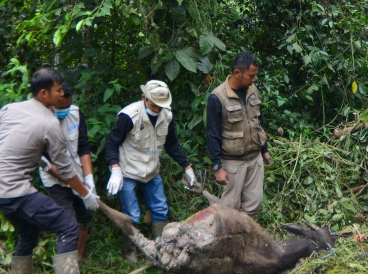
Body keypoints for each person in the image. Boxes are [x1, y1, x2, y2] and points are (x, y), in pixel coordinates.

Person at [0, 68, 106, 274]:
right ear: (44, 93)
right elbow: (67, 171)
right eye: (58, 90)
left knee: (28, 233)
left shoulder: (9, 109)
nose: (61, 94)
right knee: (68, 226)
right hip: (16, 191)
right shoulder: (50, 124)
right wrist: (86, 194)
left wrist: (36, 159)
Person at [104, 80, 196, 263]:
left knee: (160, 209)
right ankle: (130, 251)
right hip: (128, 171)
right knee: (132, 214)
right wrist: (115, 169)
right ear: (144, 98)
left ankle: (162, 249)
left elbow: (171, 144)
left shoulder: (166, 115)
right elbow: (111, 143)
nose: (157, 109)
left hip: (152, 171)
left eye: (161, 106)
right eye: (154, 104)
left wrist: (187, 167)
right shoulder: (129, 116)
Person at [206, 50, 272, 216]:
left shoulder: (253, 90)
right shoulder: (217, 97)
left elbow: (258, 121)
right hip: (233, 163)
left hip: (254, 158)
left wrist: (264, 149)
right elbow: (212, 134)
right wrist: (217, 166)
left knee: (254, 205)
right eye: (251, 75)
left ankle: (245, 238)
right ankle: (226, 240)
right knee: (229, 210)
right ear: (237, 73)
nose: (254, 79)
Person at [38, 82, 95, 261]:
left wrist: (89, 178)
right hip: (55, 178)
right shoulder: (40, 121)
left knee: (85, 218)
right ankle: (66, 270)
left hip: (77, 175)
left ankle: (78, 257)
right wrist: (82, 190)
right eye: (60, 107)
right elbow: (46, 162)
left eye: (67, 106)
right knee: (67, 223)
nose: (64, 110)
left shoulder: (76, 114)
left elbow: (83, 147)